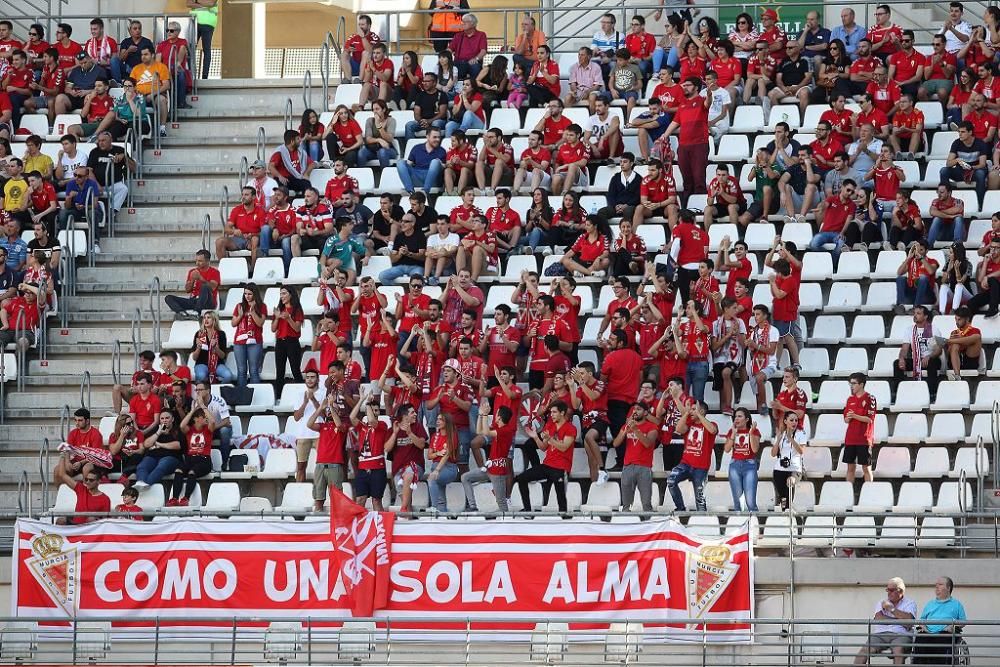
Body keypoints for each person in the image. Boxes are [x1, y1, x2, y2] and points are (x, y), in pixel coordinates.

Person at [516, 400, 574, 512]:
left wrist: (550, 438)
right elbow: (543, 447)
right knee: (521, 478)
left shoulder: (570, 428)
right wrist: (535, 437)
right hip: (547, 465)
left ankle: (565, 519)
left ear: (562, 413)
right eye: (551, 412)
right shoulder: (549, 425)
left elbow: (564, 447)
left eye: (554, 412)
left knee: (561, 500)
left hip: (561, 468)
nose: (551, 414)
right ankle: (527, 511)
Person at [661, 77, 710, 206]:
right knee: (687, 180)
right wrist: (664, 135)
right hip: (683, 145)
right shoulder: (682, 105)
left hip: (699, 144)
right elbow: (675, 122)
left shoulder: (701, 101)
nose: (685, 87)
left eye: (688, 85)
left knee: (699, 177)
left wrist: (709, 93)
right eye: (684, 85)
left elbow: (708, 103)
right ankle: (687, 207)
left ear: (696, 87)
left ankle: (700, 206)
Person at [462, 404, 515, 512]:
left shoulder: (507, 430)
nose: (495, 415)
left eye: (496, 413)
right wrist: (481, 415)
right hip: (490, 468)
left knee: (501, 502)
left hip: (498, 471)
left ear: (499, 417)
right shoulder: (497, 426)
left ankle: (507, 525)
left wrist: (485, 415)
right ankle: (473, 506)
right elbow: (479, 431)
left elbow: (486, 432)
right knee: (465, 477)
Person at [667, 399, 717, 511]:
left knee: (699, 497)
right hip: (685, 464)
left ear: (702, 411)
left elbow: (712, 430)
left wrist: (698, 414)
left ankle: (702, 520)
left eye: (694, 409)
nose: (691, 412)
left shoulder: (712, 424)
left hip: (701, 467)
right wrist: (686, 413)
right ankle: (680, 508)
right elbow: (678, 429)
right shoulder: (689, 424)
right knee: (671, 480)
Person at [613, 401, 659, 513]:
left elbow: (647, 443)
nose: (635, 411)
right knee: (626, 505)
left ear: (645, 412)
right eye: (634, 409)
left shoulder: (652, 427)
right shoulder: (627, 426)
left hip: (644, 467)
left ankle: (648, 526)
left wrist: (635, 430)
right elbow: (615, 443)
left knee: (646, 503)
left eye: (638, 409)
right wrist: (625, 431)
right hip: (627, 466)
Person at [912, 577, 967, 665]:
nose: (936, 587)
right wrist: (923, 626)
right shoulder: (930, 604)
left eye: (940, 585)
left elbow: (963, 621)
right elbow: (922, 620)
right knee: (920, 640)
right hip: (928, 632)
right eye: (936, 585)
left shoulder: (956, 604)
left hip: (945, 632)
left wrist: (953, 626)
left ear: (948, 588)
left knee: (943, 642)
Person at [939, 121, 989, 209]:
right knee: (944, 171)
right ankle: (946, 202)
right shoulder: (956, 143)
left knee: (981, 174)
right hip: (961, 171)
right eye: (959, 132)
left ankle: (980, 204)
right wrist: (957, 160)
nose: (960, 134)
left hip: (975, 170)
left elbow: (982, 164)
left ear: (970, 132)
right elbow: (948, 163)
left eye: (963, 132)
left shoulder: (980, 143)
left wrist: (971, 167)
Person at [809, 178, 857, 265]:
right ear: (842, 187)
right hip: (825, 232)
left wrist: (842, 233)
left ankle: (832, 266)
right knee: (813, 244)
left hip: (838, 234)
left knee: (840, 245)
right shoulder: (832, 198)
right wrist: (821, 207)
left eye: (852, 192)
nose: (850, 193)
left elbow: (848, 220)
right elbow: (825, 205)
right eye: (848, 190)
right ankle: (829, 259)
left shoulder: (852, 205)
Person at [133, 410, 183, 490]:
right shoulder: (156, 430)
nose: (164, 420)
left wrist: (159, 444)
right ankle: (141, 482)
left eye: (167, 418)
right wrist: (158, 433)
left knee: (161, 466)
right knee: (142, 466)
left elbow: (178, 445)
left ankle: (146, 484)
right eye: (162, 418)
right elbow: (146, 444)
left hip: (170, 457)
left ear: (172, 419)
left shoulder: (177, 430)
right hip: (152, 456)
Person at [844, 372, 877, 484]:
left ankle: (869, 492)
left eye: (854, 383)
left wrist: (854, 416)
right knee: (850, 468)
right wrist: (848, 418)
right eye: (850, 383)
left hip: (864, 439)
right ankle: (848, 494)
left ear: (861, 384)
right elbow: (846, 419)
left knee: (866, 468)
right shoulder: (850, 399)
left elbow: (869, 419)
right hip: (850, 439)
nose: (851, 386)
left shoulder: (870, 398)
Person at [724, 408, 760, 512]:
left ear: (747, 419)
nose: (736, 419)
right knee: (737, 501)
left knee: (750, 501)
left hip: (749, 465)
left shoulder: (755, 431)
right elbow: (727, 449)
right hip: (735, 465)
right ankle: (738, 524)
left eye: (740, 416)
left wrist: (751, 433)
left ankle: (754, 525)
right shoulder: (732, 431)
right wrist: (733, 435)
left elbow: (755, 449)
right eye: (735, 416)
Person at [271, 286, 305, 395]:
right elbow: (273, 329)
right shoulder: (279, 310)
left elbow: (297, 328)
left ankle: (303, 394)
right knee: (279, 372)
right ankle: (279, 396)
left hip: (292, 342)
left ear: (291, 295)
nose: (282, 296)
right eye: (281, 294)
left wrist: (288, 318)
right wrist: (276, 317)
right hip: (280, 342)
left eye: (284, 293)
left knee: (295, 370)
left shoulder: (297, 310)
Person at [165, 249, 219, 316]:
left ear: (207, 261)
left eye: (200, 261)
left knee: (205, 286)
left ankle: (196, 312)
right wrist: (192, 281)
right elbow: (187, 290)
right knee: (168, 298)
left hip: (208, 302)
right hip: (194, 301)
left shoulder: (215, 272)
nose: (197, 263)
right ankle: (182, 313)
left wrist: (201, 279)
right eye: (196, 261)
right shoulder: (193, 271)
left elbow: (213, 287)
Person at [771, 411, 806, 511]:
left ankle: (788, 508)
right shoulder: (781, 434)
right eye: (791, 420)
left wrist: (791, 439)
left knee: (790, 482)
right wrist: (778, 440)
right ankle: (785, 506)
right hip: (780, 468)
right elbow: (773, 454)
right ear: (785, 421)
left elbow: (801, 451)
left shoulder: (801, 434)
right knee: (783, 496)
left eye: (796, 420)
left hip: (794, 468)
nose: (794, 422)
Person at [397, 127, 445, 194]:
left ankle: (425, 191)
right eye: (435, 137)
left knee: (435, 162)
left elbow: (445, 168)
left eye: (439, 137)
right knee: (400, 162)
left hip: (432, 179)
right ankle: (410, 191)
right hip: (417, 176)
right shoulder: (417, 148)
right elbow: (408, 164)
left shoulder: (442, 151)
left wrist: (440, 164)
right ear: (427, 136)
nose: (438, 139)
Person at [895, 239, 939, 311]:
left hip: (926, 295)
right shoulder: (911, 261)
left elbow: (931, 271)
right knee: (901, 278)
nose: (918, 252)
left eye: (921, 250)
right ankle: (901, 306)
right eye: (917, 250)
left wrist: (921, 258)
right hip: (912, 294)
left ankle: (916, 307)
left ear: (926, 251)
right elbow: (899, 273)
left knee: (923, 278)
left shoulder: (932, 262)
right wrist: (908, 258)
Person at [269, 129, 315, 195]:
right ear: (292, 141)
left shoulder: (300, 151)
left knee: (306, 183)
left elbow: (312, 164)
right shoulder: (280, 152)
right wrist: (280, 176)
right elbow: (270, 167)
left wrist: (306, 173)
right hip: (283, 178)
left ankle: (305, 203)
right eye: (298, 139)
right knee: (282, 187)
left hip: (295, 178)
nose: (300, 140)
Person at [406, 72, 449, 140]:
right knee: (409, 125)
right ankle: (410, 148)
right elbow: (416, 113)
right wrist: (422, 121)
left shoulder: (442, 95)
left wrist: (429, 121)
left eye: (427, 81)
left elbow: (442, 114)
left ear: (434, 83)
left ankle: (435, 147)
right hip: (423, 122)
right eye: (423, 81)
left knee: (436, 123)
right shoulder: (420, 95)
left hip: (437, 121)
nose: (424, 83)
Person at [944, 305, 983, 380]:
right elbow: (948, 352)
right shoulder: (954, 333)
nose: (957, 322)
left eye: (959, 319)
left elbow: (975, 338)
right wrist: (951, 343)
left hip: (969, 361)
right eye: (956, 319)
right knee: (955, 345)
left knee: (977, 337)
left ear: (967, 319)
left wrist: (952, 340)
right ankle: (957, 376)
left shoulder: (975, 330)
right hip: (954, 362)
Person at [358, 99, 397, 167]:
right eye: (373, 109)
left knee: (382, 152)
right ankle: (361, 175)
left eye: (377, 109)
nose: (375, 112)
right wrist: (379, 140)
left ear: (384, 109)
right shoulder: (370, 121)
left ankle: (384, 175)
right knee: (361, 153)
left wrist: (378, 125)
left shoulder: (391, 121)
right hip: (373, 150)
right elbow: (368, 139)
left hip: (388, 150)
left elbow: (389, 139)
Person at [565, 46, 604, 114]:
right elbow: (572, 83)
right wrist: (574, 91)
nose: (579, 57)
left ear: (589, 56)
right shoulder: (573, 67)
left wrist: (587, 92)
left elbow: (597, 85)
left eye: (582, 55)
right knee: (568, 97)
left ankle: (592, 119)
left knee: (592, 97)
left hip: (592, 91)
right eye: (579, 55)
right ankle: (568, 120)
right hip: (578, 91)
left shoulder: (596, 67)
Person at [939, 243, 974, 315]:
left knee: (959, 286)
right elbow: (943, 281)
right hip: (953, 293)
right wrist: (948, 270)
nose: (949, 254)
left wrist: (956, 269)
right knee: (943, 287)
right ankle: (941, 312)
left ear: (957, 253)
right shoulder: (948, 263)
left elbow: (960, 281)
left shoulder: (968, 264)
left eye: (951, 253)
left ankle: (954, 310)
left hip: (966, 294)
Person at [448, 14, 487, 80]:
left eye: (465, 22)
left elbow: (483, 51)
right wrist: (444, 57)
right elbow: (450, 49)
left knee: (475, 67)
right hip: (459, 62)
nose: (462, 23)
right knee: (453, 69)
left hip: (474, 62)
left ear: (473, 24)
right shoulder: (458, 35)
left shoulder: (481, 35)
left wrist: (476, 59)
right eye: (462, 21)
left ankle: (474, 87)